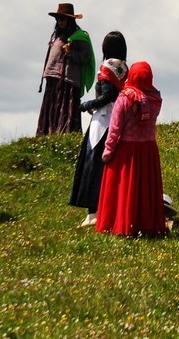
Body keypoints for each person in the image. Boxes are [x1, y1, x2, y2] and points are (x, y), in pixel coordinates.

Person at [95, 60, 168, 236]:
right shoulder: (156, 98)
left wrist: (108, 150)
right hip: (148, 149)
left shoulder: (124, 97)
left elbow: (115, 129)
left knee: (124, 189)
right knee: (145, 189)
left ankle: (122, 223)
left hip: (126, 150)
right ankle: (146, 224)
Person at [68, 31, 128, 227]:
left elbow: (106, 97)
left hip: (102, 120)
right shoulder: (124, 67)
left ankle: (93, 212)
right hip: (120, 119)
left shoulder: (106, 66)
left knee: (92, 164)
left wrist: (86, 104)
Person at [37, 3, 95, 135]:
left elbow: (86, 56)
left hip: (69, 81)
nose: (59, 22)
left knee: (65, 108)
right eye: (57, 19)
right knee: (51, 107)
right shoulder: (56, 35)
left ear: (69, 20)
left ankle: (65, 133)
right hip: (53, 77)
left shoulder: (79, 37)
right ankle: (47, 133)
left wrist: (70, 53)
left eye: (62, 19)